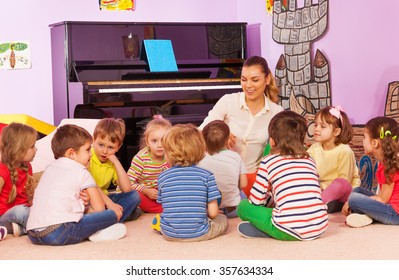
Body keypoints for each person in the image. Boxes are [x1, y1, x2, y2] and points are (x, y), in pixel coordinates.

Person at [27, 124, 126, 245]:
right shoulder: (81, 170)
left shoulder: (49, 168)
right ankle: (97, 233)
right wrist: (88, 208)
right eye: (88, 150)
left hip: (33, 233)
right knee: (112, 214)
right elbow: (99, 209)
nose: (91, 154)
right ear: (71, 154)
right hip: (58, 233)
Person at [199, 56, 284, 197]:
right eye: (243, 79)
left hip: (253, 178)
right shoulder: (228, 101)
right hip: (222, 173)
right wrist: (220, 133)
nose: (248, 85)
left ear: (267, 79)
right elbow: (200, 131)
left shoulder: (276, 112)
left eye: (255, 80)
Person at [237, 110, 328, 241]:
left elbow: (256, 201)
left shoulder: (268, 161)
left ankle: (267, 230)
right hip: (319, 226)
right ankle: (273, 224)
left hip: (289, 228)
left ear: (272, 141)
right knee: (273, 200)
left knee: (243, 206)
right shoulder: (309, 160)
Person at [155, 124, 228, 241]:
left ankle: (162, 226)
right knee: (223, 219)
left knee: (163, 218)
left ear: (169, 153)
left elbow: (164, 205)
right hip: (200, 233)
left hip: (169, 234)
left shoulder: (163, 176)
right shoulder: (207, 176)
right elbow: (213, 213)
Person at [343, 116, 399, 228]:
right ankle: (367, 216)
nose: (363, 141)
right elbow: (381, 196)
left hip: (394, 214)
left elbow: (383, 199)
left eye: (364, 137)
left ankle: (367, 215)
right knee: (357, 190)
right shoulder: (384, 162)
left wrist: (351, 201)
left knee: (354, 199)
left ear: (374, 143)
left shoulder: (389, 165)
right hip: (388, 205)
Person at [307, 105, 360, 213]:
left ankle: (315, 206)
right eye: (316, 125)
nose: (316, 129)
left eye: (323, 126)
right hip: (321, 192)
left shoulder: (344, 151)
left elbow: (345, 181)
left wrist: (322, 187)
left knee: (340, 183)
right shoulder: (314, 149)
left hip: (344, 195)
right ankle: (319, 204)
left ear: (336, 132)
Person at [88, 118, 141, 222]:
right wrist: (111, 204)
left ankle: (107, 218)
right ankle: (116, 217)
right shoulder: (88, 156)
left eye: (111, 147)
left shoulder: (112, 162)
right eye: (101, 145)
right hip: (90, 199)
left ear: (118, 147)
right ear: (93, 140)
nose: (104, 151)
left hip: (106, 199)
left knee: (134, 196)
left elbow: (126, 189)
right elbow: (92, 187)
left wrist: (116, 163)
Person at [198, 120, 247, 218]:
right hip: (234, 209)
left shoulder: (200, 160)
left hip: (213, 210)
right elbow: (243, 184)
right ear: (227, 140)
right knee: (242, 194)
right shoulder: (235, 156)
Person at [127, 115, 171, 213]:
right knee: (136, 196)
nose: (159, 145)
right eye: (154, 141)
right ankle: (161, 208)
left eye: (163, 141)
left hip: (158, 191)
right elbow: (129, 183)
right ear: (147, 141)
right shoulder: (141, 159)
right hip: (142, 190)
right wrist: (145, 191)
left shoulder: (170, 156)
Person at [0, 123, 37, 238]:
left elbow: (30, 199)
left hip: (24, 213)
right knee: (20, 211)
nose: (36, 149)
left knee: (32, 210)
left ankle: (20, 229)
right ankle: (40, 227)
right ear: (18, 149)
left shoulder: (28, 167)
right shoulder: (3, 170)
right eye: (32, 147)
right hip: (5, 216)